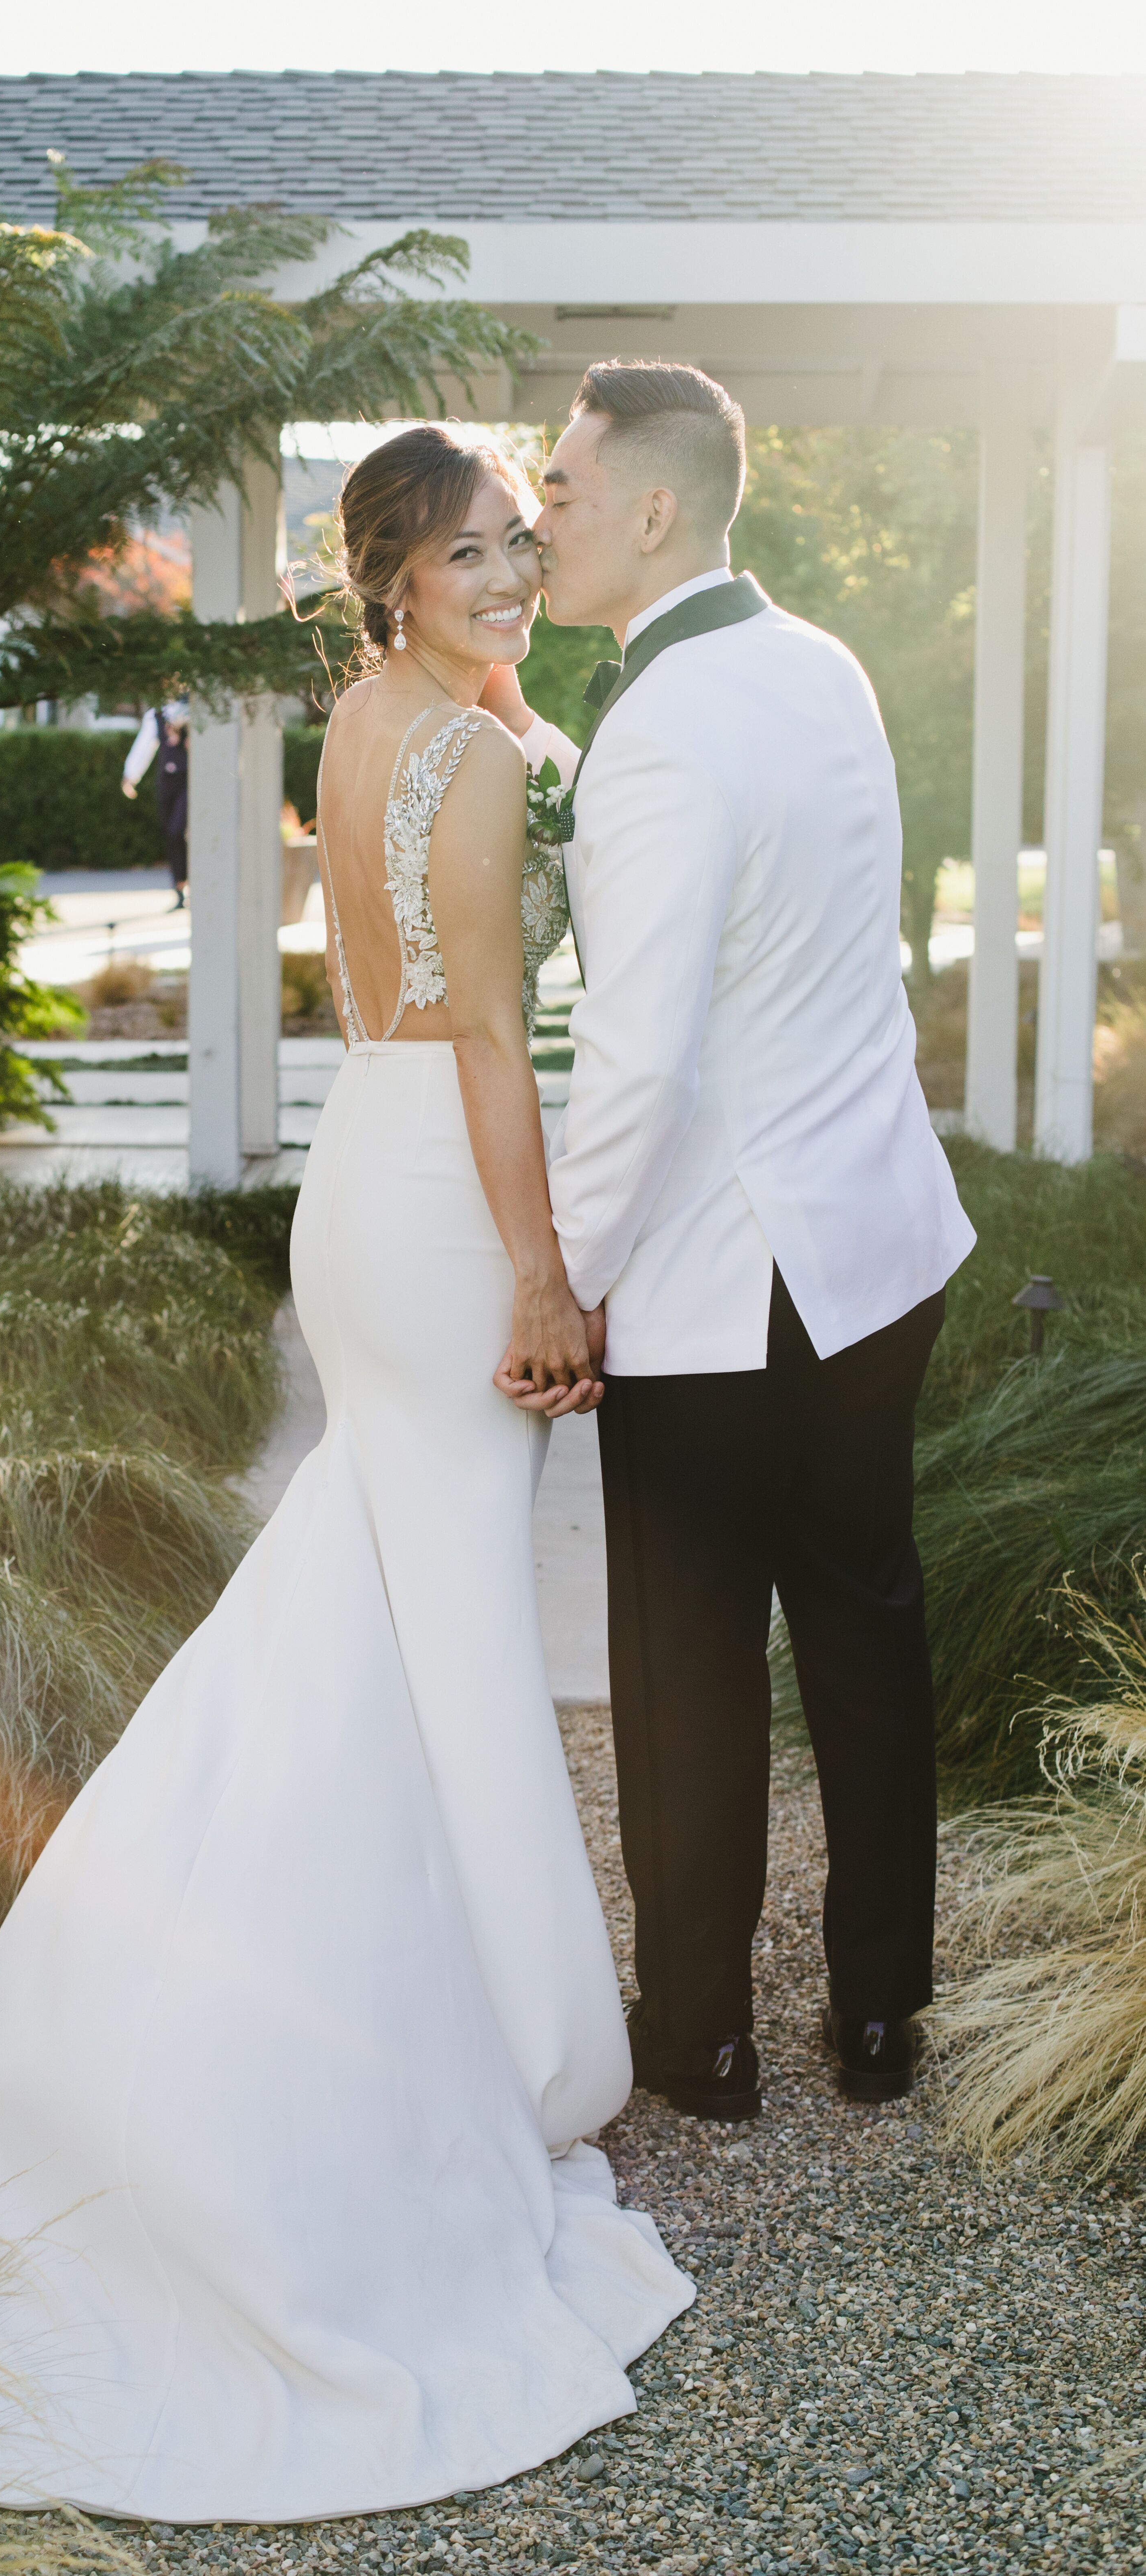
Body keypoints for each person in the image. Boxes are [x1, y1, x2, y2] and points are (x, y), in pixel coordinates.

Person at [0, 424, 692, 2522]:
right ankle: (520, 2058)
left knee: (361, 1617)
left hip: (353, 1188)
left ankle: (315, 1993)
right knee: (458, 1638)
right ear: (389, 571)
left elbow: (397, 980)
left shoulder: (371, 725)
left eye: (516, 547)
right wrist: (551, 1274)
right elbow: (490, 1036)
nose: (504, 576)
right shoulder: (473, 761)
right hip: (448, 1196)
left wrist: (495, 688)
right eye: (470, 553)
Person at [517, 361, 975, 2123]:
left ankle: (700, 2031)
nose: (539, 514)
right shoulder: (825, 667)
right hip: (875, 1243)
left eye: (559, 487)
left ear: (652, 509)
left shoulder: (662, 726)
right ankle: (877, 2018)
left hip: (719, 1278)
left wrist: (561, 1267)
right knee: (864, 1620)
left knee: (686, 1651)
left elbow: (635, 1057)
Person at [121, 698, 190, 906]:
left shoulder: (193, 710)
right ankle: (180, 887)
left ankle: (192, 882)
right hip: (168, 782)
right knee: (171, 833)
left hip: (190, 780)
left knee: (179, 830)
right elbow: (145, 745)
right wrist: (131, 775)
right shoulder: (157, 714)